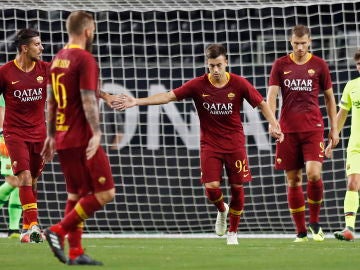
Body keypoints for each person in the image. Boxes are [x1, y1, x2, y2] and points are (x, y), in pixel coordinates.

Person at [118, 43, 283, 245]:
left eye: (219, 65)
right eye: (211, 65)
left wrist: (274, 124)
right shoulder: (198, 85)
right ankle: (222, 210)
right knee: (212, 188)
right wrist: (136, 101)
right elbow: (168, 96)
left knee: (237, 187)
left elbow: (262, 103)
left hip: (235, 144)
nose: (215, 70)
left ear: (226, 63)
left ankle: (233, 233)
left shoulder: (239, 84)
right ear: (207, 64)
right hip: (210, 145)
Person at [41, 11, 115, 265]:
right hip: (81, 137)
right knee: (105, 193)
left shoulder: (57, 58)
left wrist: (50, 135)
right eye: (92, 28)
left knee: (76, 194)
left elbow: (50, 101)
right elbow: (86, 99)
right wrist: (96, 131)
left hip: (62, 137)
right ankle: (57, 230)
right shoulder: (84, 59)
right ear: (87, 31)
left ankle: (75, 252)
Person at [267, 24, 339, 242]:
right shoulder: (280, 65)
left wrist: (334, 128)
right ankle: (300, 232)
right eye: (296, 43)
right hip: (287, 130)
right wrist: (272, 122)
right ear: (291, 42)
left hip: (313, 128)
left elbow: (329, 98)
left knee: (313, 174)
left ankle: (315, 222)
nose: (300, 47)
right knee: (293, 180)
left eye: (303, 43)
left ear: (309, 42)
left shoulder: (319, 65)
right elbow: (271, 95)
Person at [0, 28, 49, 243]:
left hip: (39, 133)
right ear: (24, 48)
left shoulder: (45, 69)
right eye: (38, 44)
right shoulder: (5, 72)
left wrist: (104, 95)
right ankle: (35, 226)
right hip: (14, 133)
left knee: (33, 180)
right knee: (23, 177)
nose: (42, 48)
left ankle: (27, 228)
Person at [325, 50, 360, 241]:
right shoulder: (352, 86)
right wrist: (332, 139)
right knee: (353, 183)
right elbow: (342, 114)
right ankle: (349, 229)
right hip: (356, 146)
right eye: (358, 64)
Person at [0, 95, 22, 239]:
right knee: (14, 180)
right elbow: (2, 110)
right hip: (6, 136)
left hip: (23, 135)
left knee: (22, 180)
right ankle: (13, 228)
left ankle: (13, 229)